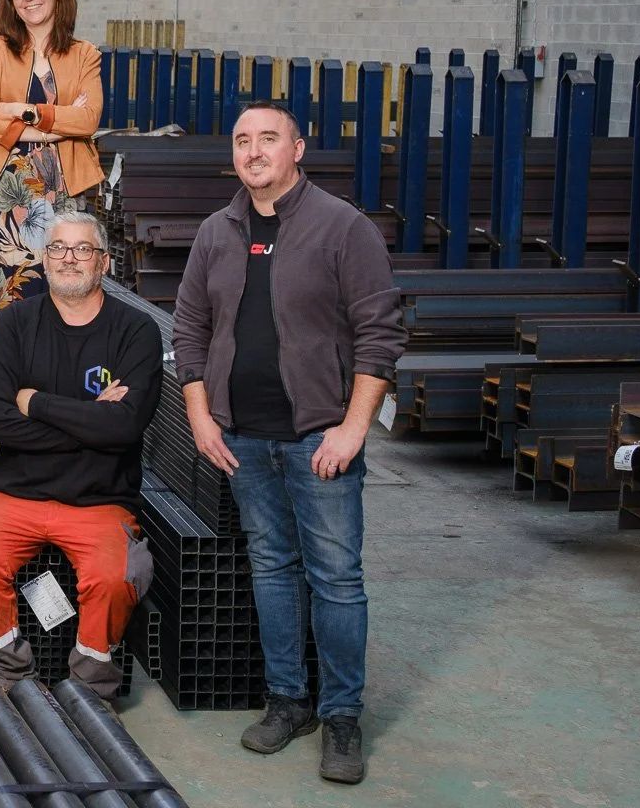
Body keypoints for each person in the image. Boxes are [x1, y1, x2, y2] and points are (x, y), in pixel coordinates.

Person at [172, 102, 405, 785]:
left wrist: (354, 427)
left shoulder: (343, 229)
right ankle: (288, 701)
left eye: (268, 139)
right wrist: (201, 416)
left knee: (335, 579)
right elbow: (188, 330)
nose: (254, 151)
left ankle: (341, 716)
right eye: (243, 141)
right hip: (242, 437)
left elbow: (380, 334)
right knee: (271, 569)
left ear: (297, 149)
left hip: (318, 440)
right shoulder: (218, 233)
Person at [0, 212, 162, 705]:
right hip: (17, 492)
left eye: (83, 249)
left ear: (105, 263)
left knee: (117, 577)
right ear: (44, 261)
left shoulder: (136, 331)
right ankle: (8, 675)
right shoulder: (13, 323)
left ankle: (92, 688)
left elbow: (127, 426)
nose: (69, 258)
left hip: (98, 498)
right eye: (58, 248)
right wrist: (92, 422)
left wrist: (37, 403)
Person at [0, 0, 104, 498]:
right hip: (6, 204)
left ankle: (55, 452)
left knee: (66, 318)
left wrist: (20, 114)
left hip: (65, 199)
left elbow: (89, 120)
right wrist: (53, 123)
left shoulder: (84, 53)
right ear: (9, 0)